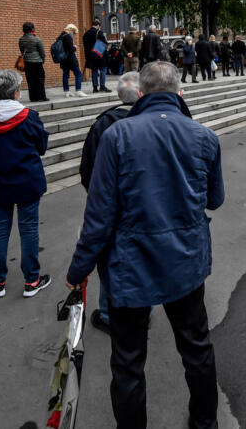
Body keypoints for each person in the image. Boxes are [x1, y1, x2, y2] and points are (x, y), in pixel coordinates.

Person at [65, 61, 224, 428]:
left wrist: (78, 269)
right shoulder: (204, 136)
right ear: (180, 92)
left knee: (128, 361)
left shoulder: (116, 136)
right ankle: (205, 422)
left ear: (141, 93)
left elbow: (99, 215)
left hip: (130, 265)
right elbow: (215, 199)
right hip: (185, 261)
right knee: (197, 348)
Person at [0, 70, 50, 298]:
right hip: (26, 179)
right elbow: (41, 146)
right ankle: (31, 280)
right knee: (29, 228)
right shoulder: (29, 117)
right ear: (16, 92)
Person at [78, 71, 141, 333]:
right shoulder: (152, 121)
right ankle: (143, 311)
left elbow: (88, 169)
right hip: (143, 204)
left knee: (110, 260)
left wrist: (96, 195)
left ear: (118, 95)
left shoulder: (104, 123)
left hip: (110, 204)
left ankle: (108, 315)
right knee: (141, 258)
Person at [16, 21, 47, 102]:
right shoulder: (37, 39)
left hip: (27, 62)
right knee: (40, 79)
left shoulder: (21, 40)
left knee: (30, 80)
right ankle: (42, 97)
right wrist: (43, 60)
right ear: (32, 29)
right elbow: (42, 52)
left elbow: (22, 51)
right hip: (37, 62)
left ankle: (33, 98)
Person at [83, 18, 110, 94]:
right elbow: (105, 43)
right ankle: (102, 86)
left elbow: (85, 46)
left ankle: (95, 88)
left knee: (94, 70)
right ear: (98, 25)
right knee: (103, 70)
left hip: (91, 56)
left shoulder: (86, 34)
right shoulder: (99, 32)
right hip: (100, 55)